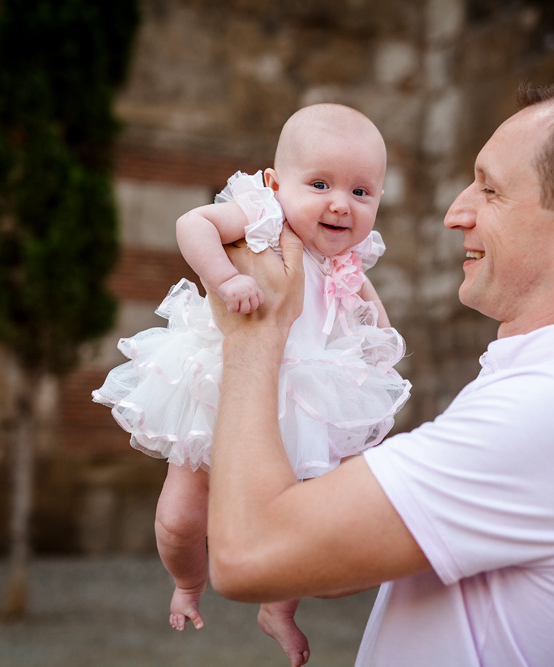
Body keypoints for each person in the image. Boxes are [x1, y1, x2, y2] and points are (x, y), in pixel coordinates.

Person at [204, 83, 554, 667]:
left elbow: (248, 554)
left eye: (491, 190)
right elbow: (330, 566)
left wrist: (255, 335)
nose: (457, 213)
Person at [92, 103, 411, 666]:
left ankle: (279, 611)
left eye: (362, 192)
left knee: (292, 524)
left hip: (309, 401)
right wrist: (226, 278)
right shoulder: (264, 217)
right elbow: (193, 225)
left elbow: (365, 300)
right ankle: (188, 583)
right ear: (274, 181)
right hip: (222, 385)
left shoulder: (350, 255)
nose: (341, 203)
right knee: (180, 517)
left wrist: (382, 336)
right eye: (320, 184)